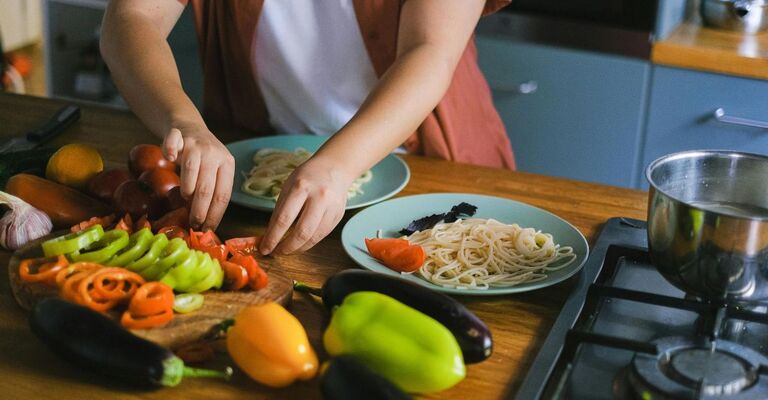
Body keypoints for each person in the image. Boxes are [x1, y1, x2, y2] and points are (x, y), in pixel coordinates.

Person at [100, 0, 515, 256]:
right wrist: (184, 121)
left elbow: (430, 50)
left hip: (427, 166)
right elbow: (133, 16)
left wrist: (337, 165)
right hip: (253, 181)